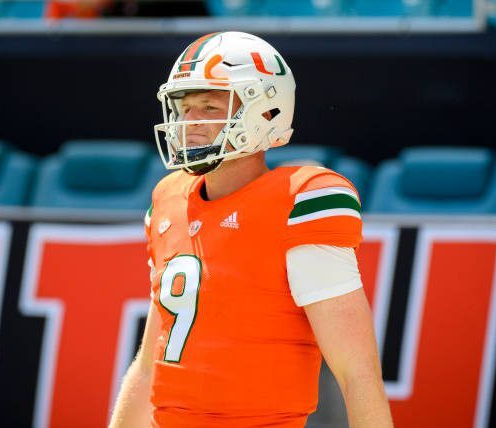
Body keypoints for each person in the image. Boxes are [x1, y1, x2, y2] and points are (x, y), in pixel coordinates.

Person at [110, 31, 393, 427]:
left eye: (209, 106)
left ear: (265, 111)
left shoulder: (301, 199)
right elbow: (149, 366)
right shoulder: (168, 200)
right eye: (185, 107)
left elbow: (356, 371)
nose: (189, 122)